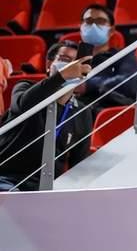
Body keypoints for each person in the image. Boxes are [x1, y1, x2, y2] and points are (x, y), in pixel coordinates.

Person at [0, 41, 93, 191]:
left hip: (45, 188)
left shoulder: (82, 112)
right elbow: (24, 106)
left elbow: (79, 160)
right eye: (65, 59)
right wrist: (62, 76)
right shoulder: (24, 86)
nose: (72, 66)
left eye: (76, 62)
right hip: (7, 177)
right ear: (49, 64)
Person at [75, 4, 137, 115]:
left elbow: (130, 83)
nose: (93, 26)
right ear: (81, 27)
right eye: (89, 21)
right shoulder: (72, 60)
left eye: (100, 21)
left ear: (111, 30)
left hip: (107, 113)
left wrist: (88, 85)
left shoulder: (123, 56)